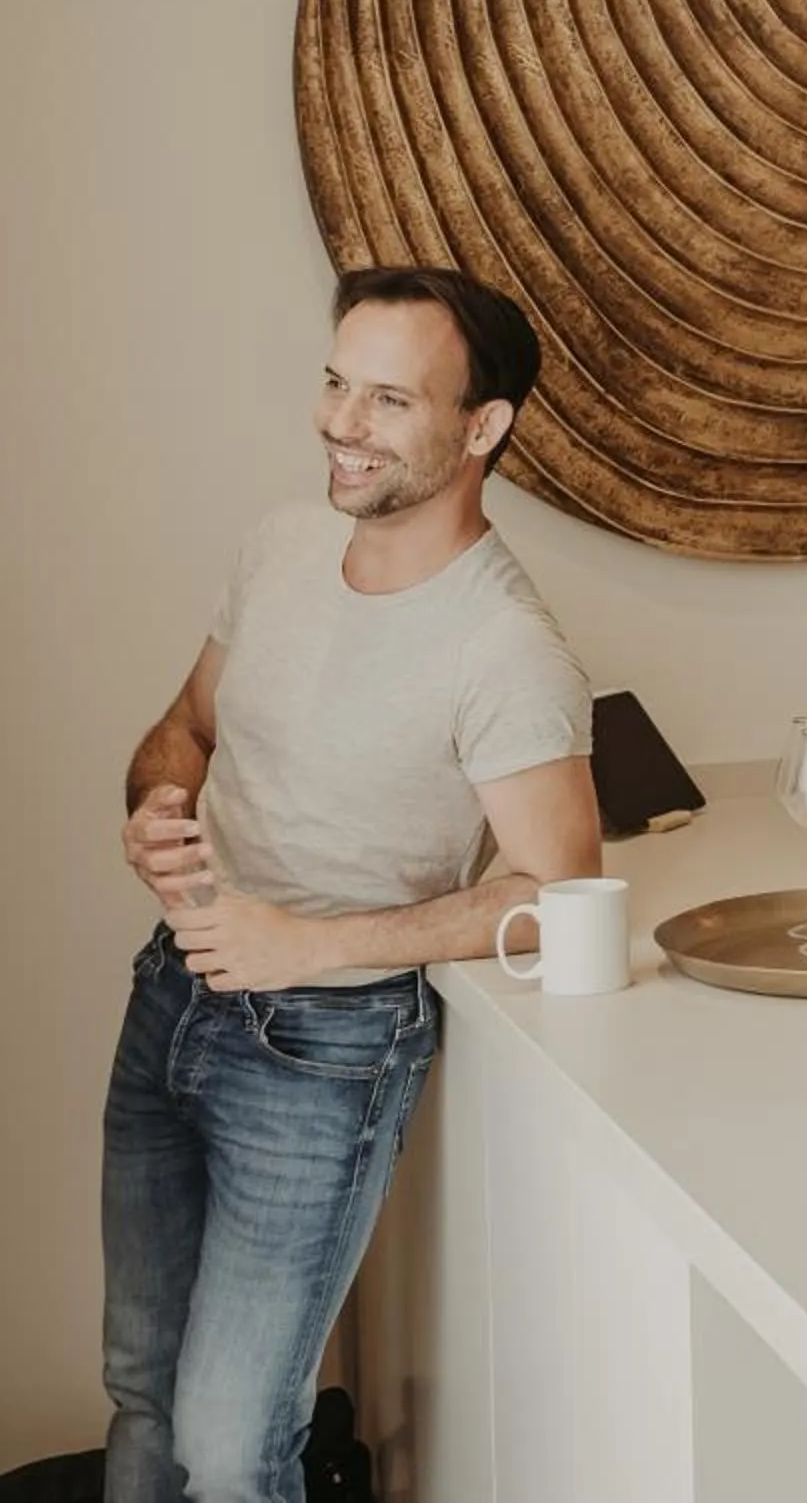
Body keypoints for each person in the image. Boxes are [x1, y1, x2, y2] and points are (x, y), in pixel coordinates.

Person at [103, 267, 601, 1503]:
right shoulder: (280, 545)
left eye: (387, 399)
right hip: (172, 998)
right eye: (336, 383)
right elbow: (186, 724)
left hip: (326, 1048)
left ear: (481, 428)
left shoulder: (509, 649)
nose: (339, 422)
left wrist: (306, 948)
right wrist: (155, 807)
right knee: (142, 1390)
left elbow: (562, 893)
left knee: (227, 1449)